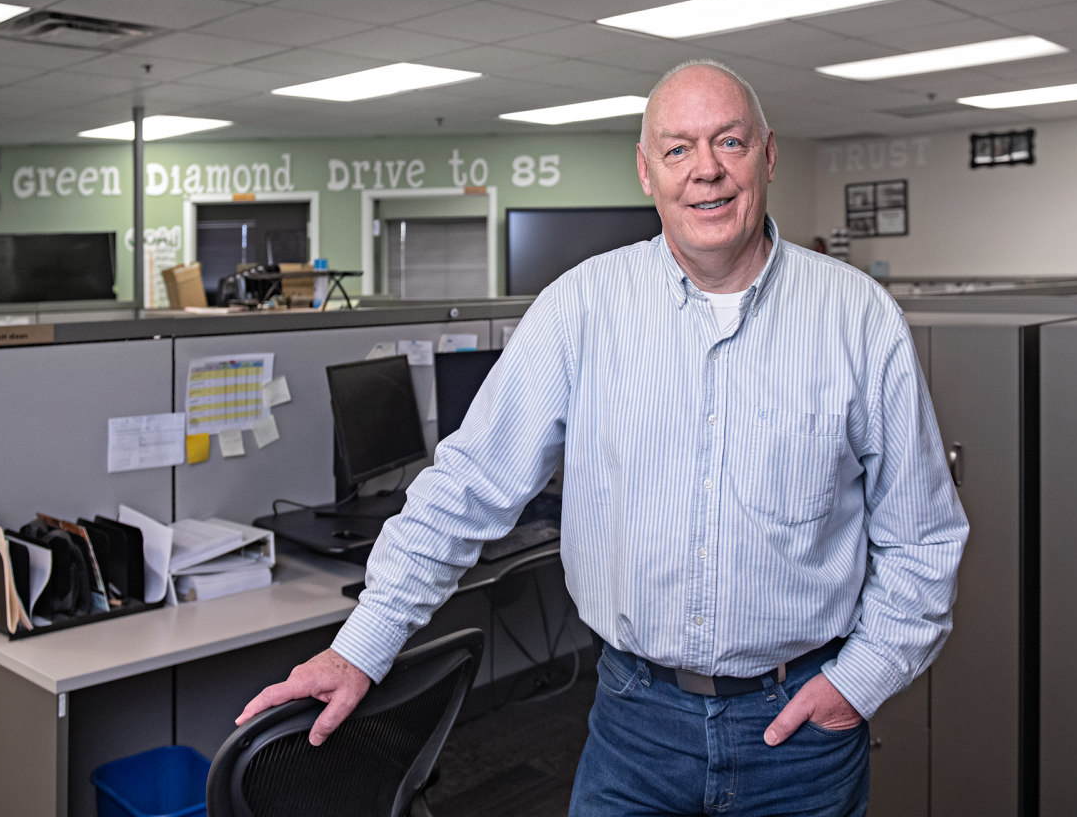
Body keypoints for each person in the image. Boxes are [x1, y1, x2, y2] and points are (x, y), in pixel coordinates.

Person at [237, 60, 968, 816]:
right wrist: (359, 647)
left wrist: (863, 679)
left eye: (731, 142)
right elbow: (468, 488)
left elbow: (922, 534)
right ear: (647, 171)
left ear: (769, 154)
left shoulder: (858, 318)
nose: (707, 171)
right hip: (634, 724)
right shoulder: (580, 309)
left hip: (800, 737)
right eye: (678, 149)